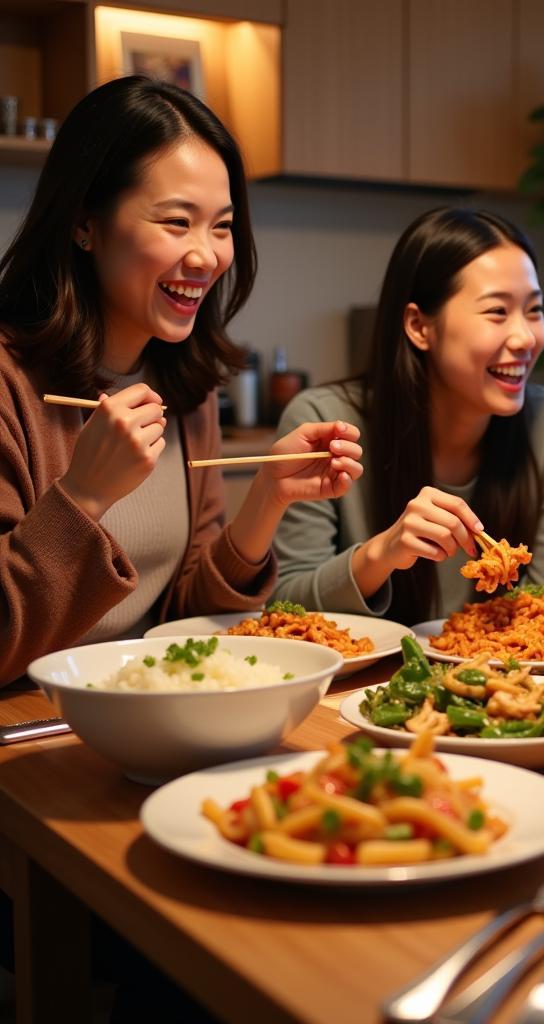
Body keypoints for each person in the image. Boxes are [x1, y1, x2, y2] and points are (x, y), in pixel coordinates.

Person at [0, 76, 363, 687]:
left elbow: (185, 622)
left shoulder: (186, 388)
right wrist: (84, 496)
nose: (207, 256)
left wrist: (267, 498)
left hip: (143, 712)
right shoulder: (11, 383)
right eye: (176, 221)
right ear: (85, 222)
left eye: (221, 226)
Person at [271, 207, 544, 624]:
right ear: (419, 325)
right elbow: (283, 609)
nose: (526, 337)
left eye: (534, 310)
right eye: (497, 311)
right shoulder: (326, 425)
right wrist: (382, 553)